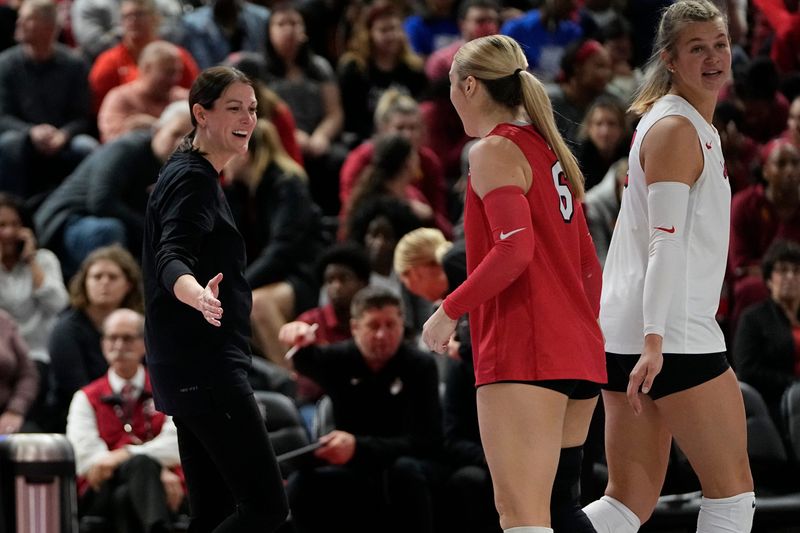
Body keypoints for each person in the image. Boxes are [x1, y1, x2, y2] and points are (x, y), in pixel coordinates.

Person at [421, 34, 607, 533]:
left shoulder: (493, 151)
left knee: (523, 519)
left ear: (469, 86)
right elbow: (589, 264)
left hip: (526, 351)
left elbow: (514, 249)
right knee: (561, 512)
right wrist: (587, 334)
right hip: (578, 354)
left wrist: (449, 309)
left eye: (452, 88)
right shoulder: (549, 152)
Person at [582, 2, 755, 532]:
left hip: (628, 331)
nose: (713, 57)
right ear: (670, 59)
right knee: (733, 496)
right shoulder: (677, 129)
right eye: (696, 48)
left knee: (627, 500)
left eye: (720, 44)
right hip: (670, 333)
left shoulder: (679, 122)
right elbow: (666, 245)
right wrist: (656, 341)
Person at [142, 66, 288, 532]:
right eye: (233, 108)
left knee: (213, 514)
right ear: (200, 114)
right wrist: (197, 294)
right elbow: (171, 256)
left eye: (252, 109)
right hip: (207, 367)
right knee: (265, 507)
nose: (247, 118)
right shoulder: (194, 178)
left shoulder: (188, 170)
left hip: (185, 366)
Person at [279, 286, 443, 533]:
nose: (381, 335)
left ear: (402, 325)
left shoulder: (420, 365)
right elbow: (303, 358)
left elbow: (427, 442)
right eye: (373, 325)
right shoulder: (340, 358)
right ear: (355, 328)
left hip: (409, 465)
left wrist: (358, 446)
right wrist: (295, 333)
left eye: (390, 325)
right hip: (357, 468)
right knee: (302, 484)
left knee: (404, 472)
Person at [34, 101, 193, 277]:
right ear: (157, 131)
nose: (180, 144)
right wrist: (151, 230)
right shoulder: (125, 149)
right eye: (175, 134)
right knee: (109, 230)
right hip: (68, 220)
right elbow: (101, 202)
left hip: (119, 224)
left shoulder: (182, 168)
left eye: (188, 139)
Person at [66, 309, 184, 533]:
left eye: (128, 338)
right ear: (103, 344)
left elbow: (177, 443)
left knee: (125, 497)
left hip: (159, 493)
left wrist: (124, 454)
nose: (119, 345)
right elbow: (87, 458)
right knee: (141, 468)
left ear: (144, 343)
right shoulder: (86, 397)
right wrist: (154, 468)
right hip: (102, 491)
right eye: (112, 338)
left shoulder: (166, 389)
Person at [223, 118, 324, 365]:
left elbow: (284, 248)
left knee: (257, 304)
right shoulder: (240, 191)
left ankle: (296, 382)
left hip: (302, 273)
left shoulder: (288, 184)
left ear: (244, 153)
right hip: (270, 274)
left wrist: (240, 285)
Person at [0, 0, 98, 199]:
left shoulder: (75, 64)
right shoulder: (6, 63)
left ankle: (79, 206)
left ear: (49, 27)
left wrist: (64, 135)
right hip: (22, 135)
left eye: (27, 19)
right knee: (8, 143)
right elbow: (2, 116)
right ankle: (14, 211)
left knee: (87, 147)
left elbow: (81, 116)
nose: (19, 24)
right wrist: (31, 132)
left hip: (63, 137)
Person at [49, 244, 144, 432]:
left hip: (139, 416)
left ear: (129, 285)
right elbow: (75, 388)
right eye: (97, 276)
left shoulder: (140, 323)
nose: (104, 282)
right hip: (79, 418)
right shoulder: (65, 330)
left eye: (113, 277)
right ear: (84, 282)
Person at [0, 192, 68, 429]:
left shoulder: (44, 260)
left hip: (38, 354)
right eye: (1, 225)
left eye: (15, 225)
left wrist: (31, 261)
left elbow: (59, 304)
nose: (8, 232)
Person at [733, 239, 800, 429]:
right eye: (783, 270)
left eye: (796, 271)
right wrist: (793, 383)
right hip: (773, 404)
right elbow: (747, 370)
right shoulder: (753, 318)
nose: (790, 276)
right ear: (769, 279)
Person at [97, 40, 188, 143]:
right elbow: (112, 141)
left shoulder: (183, 100)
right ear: (146, 68)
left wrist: (154, 126)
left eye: (178, 72)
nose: (175, 78)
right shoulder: (120, 98)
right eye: (168, 73)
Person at [0, 309, 39, 435]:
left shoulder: (4, 321)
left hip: (6, 413)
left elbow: (28, 374)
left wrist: (15, 410)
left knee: (37, 447)